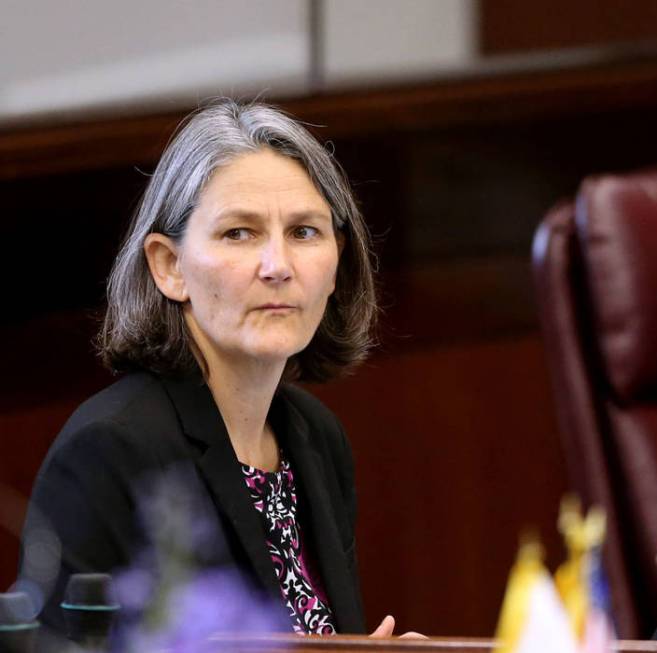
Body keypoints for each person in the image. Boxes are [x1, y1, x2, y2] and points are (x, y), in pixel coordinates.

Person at [16, 99, 409, 640]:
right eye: (238, 233)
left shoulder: (316, 438)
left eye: (304, 232)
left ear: (338, 262)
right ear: (169, 266)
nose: (278, 266)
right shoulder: (108, 451)